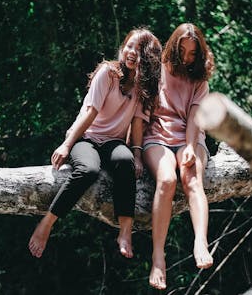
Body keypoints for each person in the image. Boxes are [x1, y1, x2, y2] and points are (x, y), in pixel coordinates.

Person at [28, 28, 162, 259]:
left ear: (148, 58)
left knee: (125, 161)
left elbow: (138, 124)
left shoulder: (142, 87)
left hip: (113, 142)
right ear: (122, 48)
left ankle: (125, 232)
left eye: (139, 51)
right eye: (129, 46)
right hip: (86, 138)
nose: (131, 53)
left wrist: (138, 156)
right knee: (88, 169)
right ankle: (47, 223)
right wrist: (66, 145)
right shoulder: (107, 74)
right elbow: (89, 114)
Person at [142, 23, 215, 289]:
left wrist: (188, 146)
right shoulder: (156, 70)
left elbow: (195, 119)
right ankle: (158, 256)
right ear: (173, 47)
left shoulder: (200, 80)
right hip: (157, 137)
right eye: (182, 51)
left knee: (192, 179)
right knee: (167, 180)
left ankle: (200, 241)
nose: (186, 58)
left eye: (192, 53)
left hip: (191, 136)